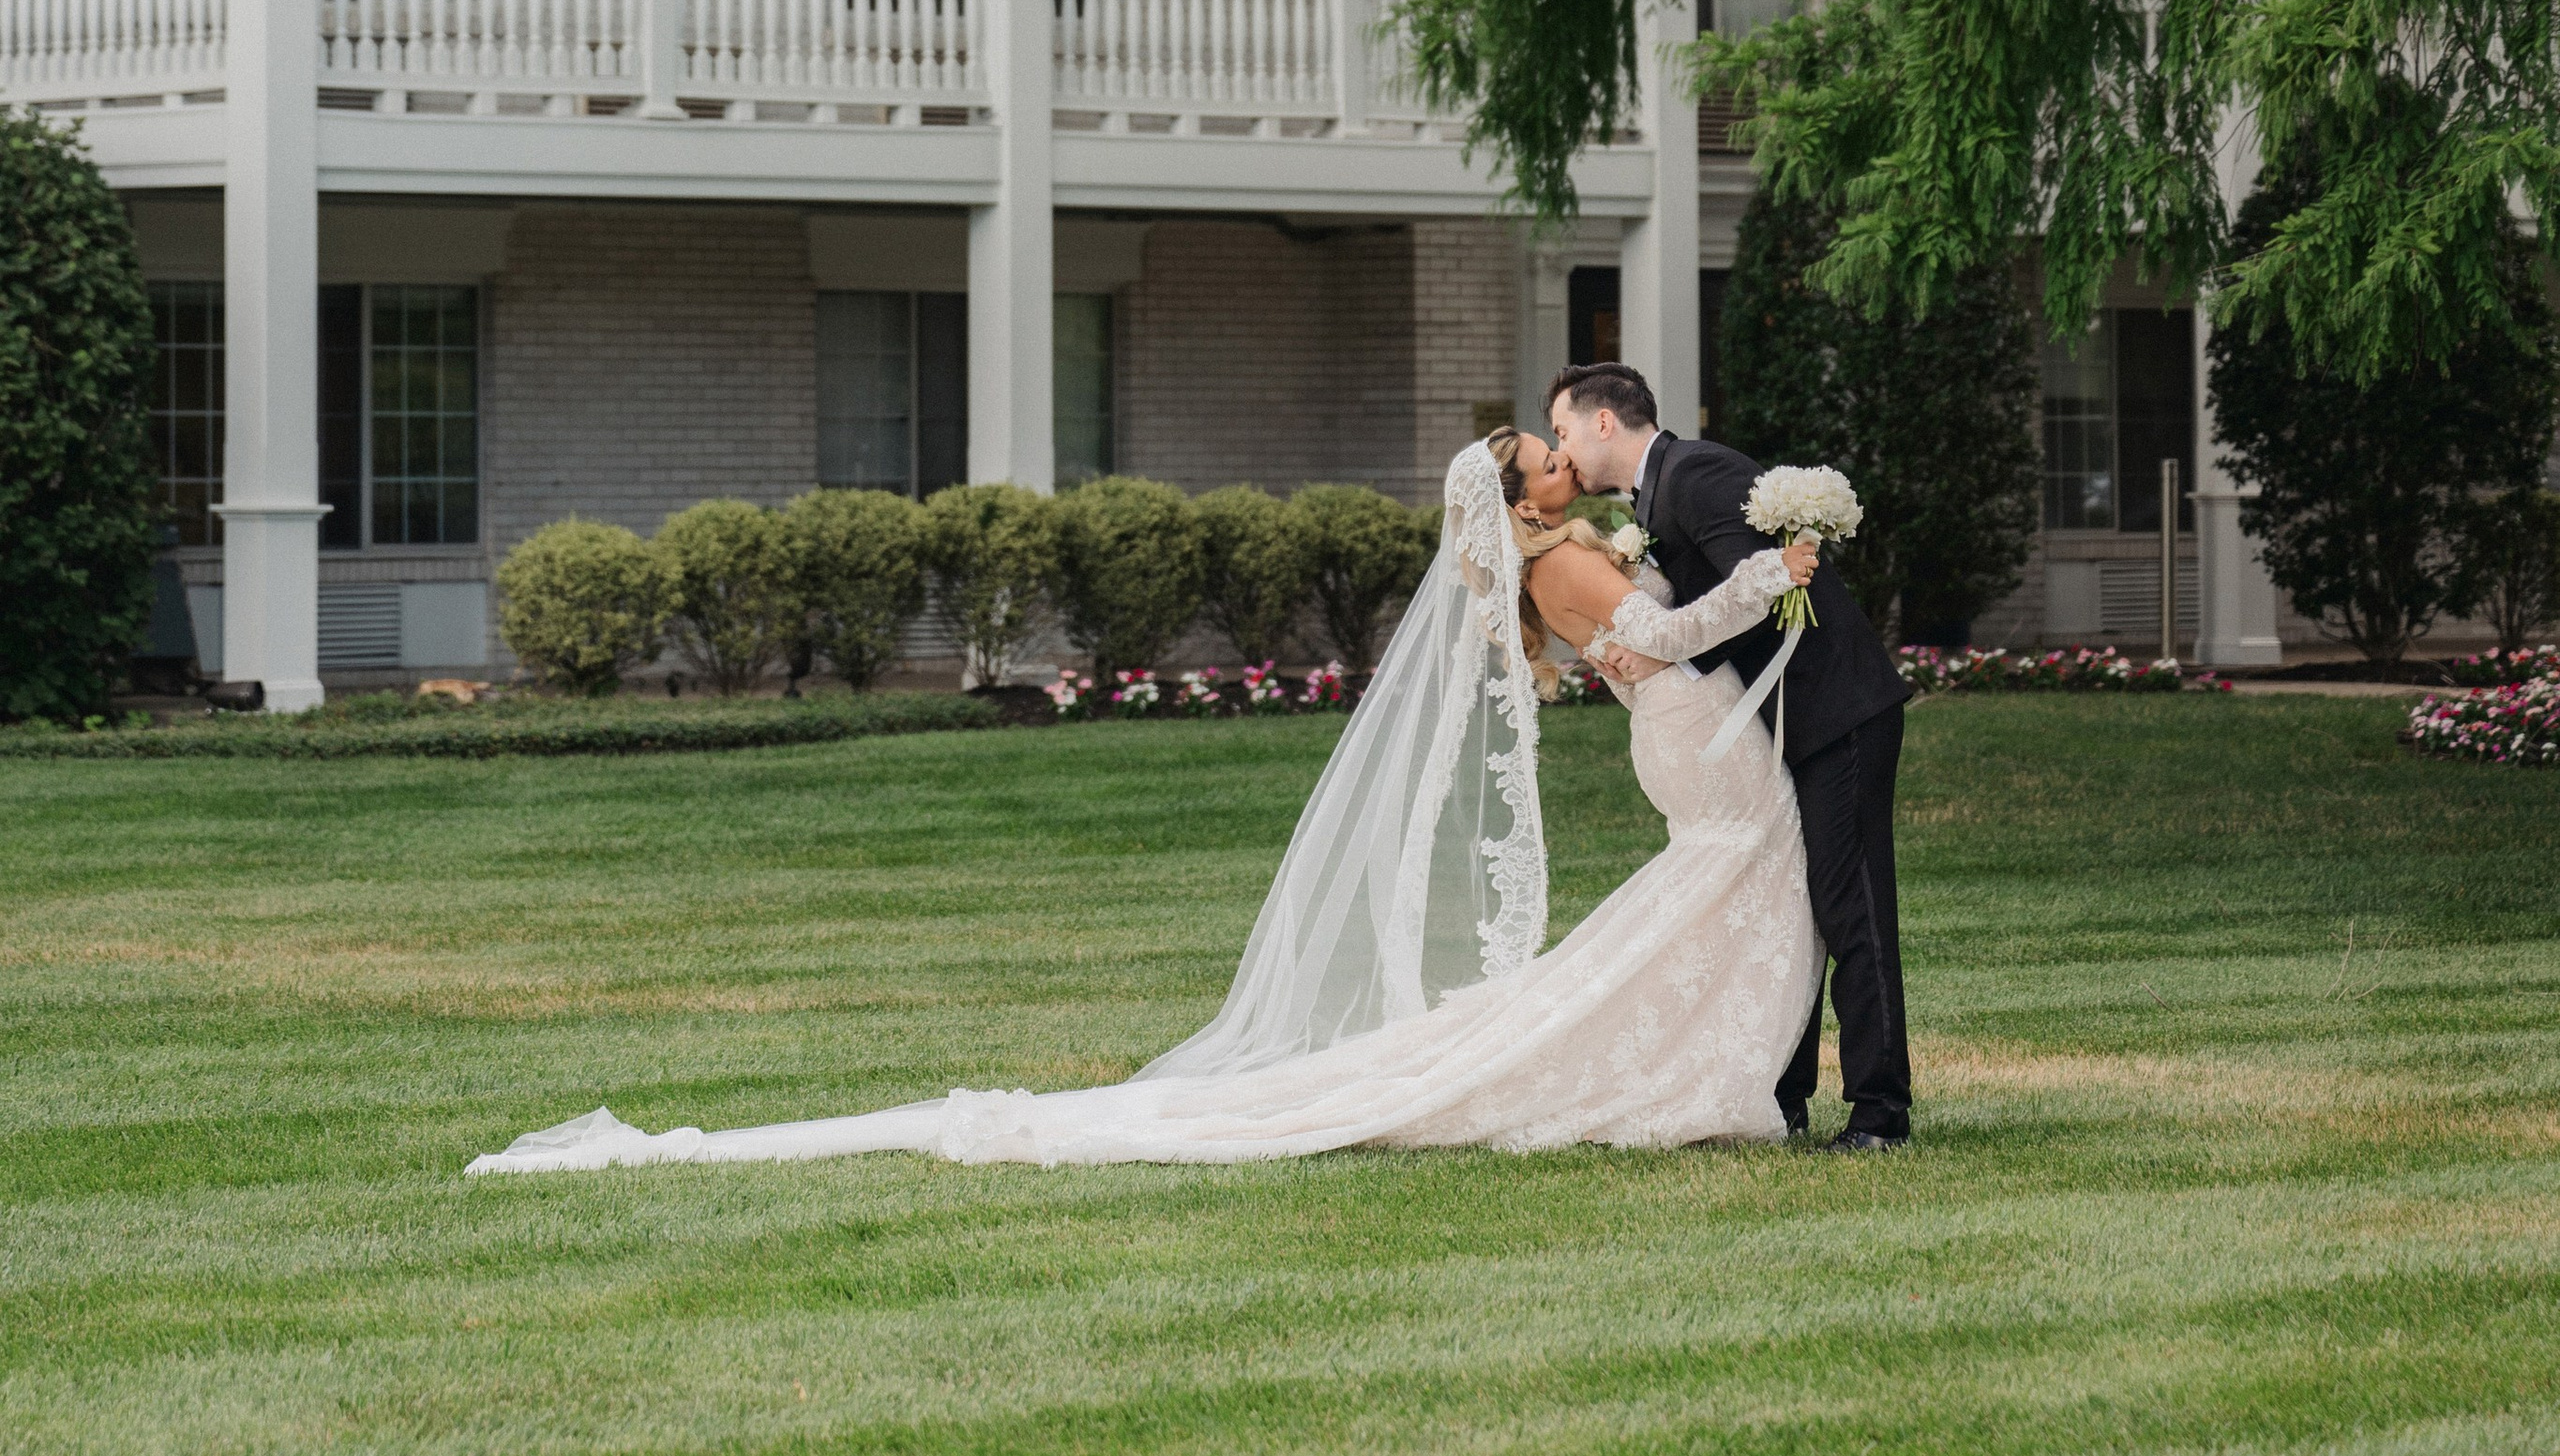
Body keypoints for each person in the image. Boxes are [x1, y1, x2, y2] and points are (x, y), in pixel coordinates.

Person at [466, 435, 1821, 1177]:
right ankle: (1693, 1063)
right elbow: (1662, 632)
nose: (1560, 458)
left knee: (1718, 886)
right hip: (1689, 735)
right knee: (1722, 877)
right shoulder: (1559, 567)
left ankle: (1714, 1056)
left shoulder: (1562, 556)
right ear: (1517, 500)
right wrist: (1775, 572)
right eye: (1541, 456)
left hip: (1682, 735)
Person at [1547, 360, 1912, 1149]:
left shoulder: (1695, 472)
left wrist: (1668, 651)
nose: (1561, 447)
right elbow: (1726, 598)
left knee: (1850, 907)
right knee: (1797, 905)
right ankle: (1785, 1096)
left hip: (1837, 708)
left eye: (1563, 428)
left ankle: (1881, 1111)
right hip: (1782, 721)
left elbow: (1764, 592)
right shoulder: (1654, 494)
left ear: (1603, 420)